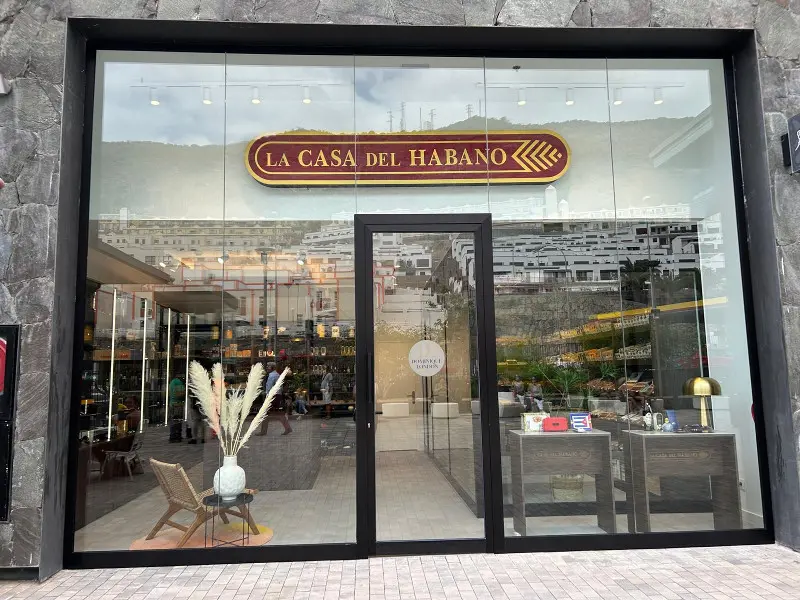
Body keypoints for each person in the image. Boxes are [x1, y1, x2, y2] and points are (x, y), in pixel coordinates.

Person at [258, 362, 292, 436]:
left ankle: (263, 431)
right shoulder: (277, 375)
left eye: (268, 366)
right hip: (277, 396)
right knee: (278, 413)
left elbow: (269, 388)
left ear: (272, 367)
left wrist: (267, 396)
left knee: (264, 413)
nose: (267, 367)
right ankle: (288, 428)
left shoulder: (272, 375)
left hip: (272, 396)